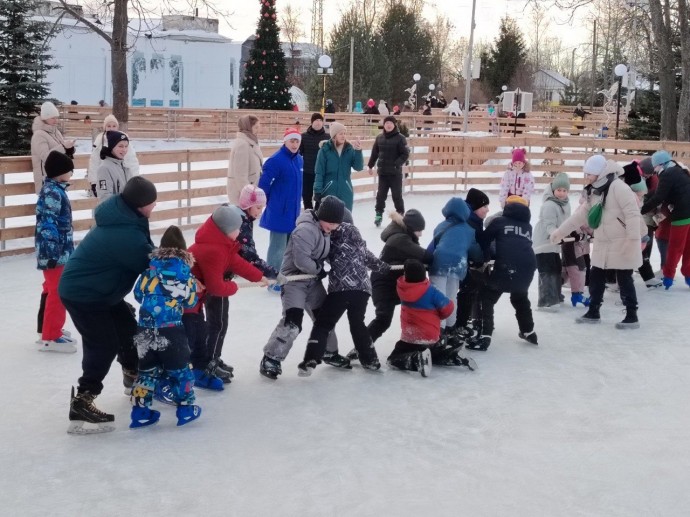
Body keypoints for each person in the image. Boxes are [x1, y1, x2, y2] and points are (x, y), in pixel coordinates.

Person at [60, 176, 158, 434]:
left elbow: (149, 251)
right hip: (84, 294)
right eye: (152, 202)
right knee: (103, 343)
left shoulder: (128, 219)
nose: (154, 206)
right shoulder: (124, 234)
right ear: (140, 204)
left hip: (101, 292)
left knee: (126, 325)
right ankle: (83, 400)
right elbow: (151, 264)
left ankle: (132, 374)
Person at [550, 156, 646, 329]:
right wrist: (560, 232)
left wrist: (632, 240)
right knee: (596, 276)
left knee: (624, 278)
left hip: (622, 240)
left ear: (600, 173)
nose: (587, 177)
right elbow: (580, 216)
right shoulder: (595, 191)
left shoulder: (619, 187)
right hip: (603, 240)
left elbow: (633, 214)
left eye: (590, 174)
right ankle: (594, 311)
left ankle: (632, 315)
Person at [260, 196, 347, 380]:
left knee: (324, 318)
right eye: (330, 222)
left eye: (336, 224)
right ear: (321, 216)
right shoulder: (305, 230)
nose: (332, 227)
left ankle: (328, 351)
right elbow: (301, 260)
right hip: (294, 282)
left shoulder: (325, 231)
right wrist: (318, 269)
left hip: (312, 282)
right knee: (293, 322)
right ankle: (271, 358)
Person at [298, 210, 390, 375]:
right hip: (361, 290)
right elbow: (370, 259)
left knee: (323, 324)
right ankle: (370, 360)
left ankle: (311, 359)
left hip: (340, 289)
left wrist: (315, 267)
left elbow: (318, 256)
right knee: (357, 324)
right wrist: (385, 268)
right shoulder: (358, 239)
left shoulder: (329, 239)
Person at [187, 204, 268, 389]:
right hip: (187, 302)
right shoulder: (214, 250)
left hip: (195, 299)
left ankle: (202, 366)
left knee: (203, 331)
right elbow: (216, 287)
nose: (240, 231)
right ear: (225, 230)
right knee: (196, 334)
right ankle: (196, 369)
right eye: (236, 228)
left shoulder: (222, 244)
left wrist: (258, 276)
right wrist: (232, 286)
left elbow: (236, 262)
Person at [129, 226, 202, 428]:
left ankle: (140, 411)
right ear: (183, 250)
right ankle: (186, 409)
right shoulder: (184, 273)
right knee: (180, 370)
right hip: (171, 330)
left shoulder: (149, 270)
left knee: (146, 372)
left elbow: (137, 294)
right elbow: (189, 302)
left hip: (144, 328)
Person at [466, 196, 538, 351]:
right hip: (528, 266)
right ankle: (529, 331)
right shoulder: (527, 226)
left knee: (487, 296)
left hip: (506, 266)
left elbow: (483, 240)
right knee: (520, 296)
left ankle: (485, 336)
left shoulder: (498, 222)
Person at [366, 210, 432, 346]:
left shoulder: (403, 236)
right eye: (419, 230)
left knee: (413, 313)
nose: (420, 234)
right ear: (411, 228)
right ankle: (362, 347)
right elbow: (426, 256)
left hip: (391, 283)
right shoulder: (400, 240)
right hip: (383, 284)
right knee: (383, 319)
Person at [35, 151, 76, 353]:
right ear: (61, 173)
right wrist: (52, 252)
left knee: (50, 288)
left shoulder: (55, 189)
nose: (71, 174)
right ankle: (51, 335)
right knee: (58, 292)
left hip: (58, 251)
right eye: (70, 171)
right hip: (54, 253)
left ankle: (46, 329)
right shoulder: (53, 192)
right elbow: (48, 223)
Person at [428, 197, 483, 348]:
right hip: (458, 266)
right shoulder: (469, 230)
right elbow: (475, 251)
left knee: (439, 297)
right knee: (452, 297)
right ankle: (450, 330)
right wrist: (480, 259)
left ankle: (439, 331)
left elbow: (435, 244)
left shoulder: (440, 226)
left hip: (438, 264)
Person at [386, 259, 454, 377]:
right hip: (430, 336)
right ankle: (441, 355)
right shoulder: (431, 292)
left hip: (410, 336)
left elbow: (405, 279)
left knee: (393, 359)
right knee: (429, 345)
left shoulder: (402, 288)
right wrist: (439, 316)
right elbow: (448, 308)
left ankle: (416, 359)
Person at [640, 150, 690, 289]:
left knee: (675, 247)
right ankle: (688, 274)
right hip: (687, 213)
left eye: (655, 167)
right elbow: (658, 193)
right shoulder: (678, 170)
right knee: (687, 248)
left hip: (681, 215)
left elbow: (658, 197)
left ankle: (668, 276)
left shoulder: (667, 174)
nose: (654, 170)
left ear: (661, 164)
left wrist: (640, 210)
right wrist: (645, 197)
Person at [258, 127, 304, 276]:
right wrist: (273, 201)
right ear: (285, 142)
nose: (294, 144)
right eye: (291, 140)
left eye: (297, 141)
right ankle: (272, 277)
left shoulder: (298, 159)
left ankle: (284, 274)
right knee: (277, 247)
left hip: (293, 211)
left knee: (289, 247)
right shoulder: (276, 160)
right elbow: (263, 185)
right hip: (279, 210)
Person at [454, 188, 491, 342]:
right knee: (467, 288)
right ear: (475, 207)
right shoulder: (469, 220)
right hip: (456, 261)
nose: (488, 210)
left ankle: (461, 321)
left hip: (460, 261)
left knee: (469, 288)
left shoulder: (473, 219)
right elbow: (473, 243)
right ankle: (458, 324)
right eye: (484, 207)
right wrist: (481, 258)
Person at [532, 172, 571, 310]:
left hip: (554, 243)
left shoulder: (565, 204)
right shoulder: (549, 204)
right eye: (559, 190)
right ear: (553, 190)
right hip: (544, 242)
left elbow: (567, 223)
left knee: (556, 269)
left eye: (564, 190)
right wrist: (557, 235)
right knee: (547, 270)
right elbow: (549, 225)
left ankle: (555, 296)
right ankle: (546, 301)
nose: (561, 193)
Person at [368, 115, 410, 227]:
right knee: (381, 195)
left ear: (394, 124)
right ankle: (378, 214)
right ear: (384, 125)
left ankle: (400, 214)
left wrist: (397, 163)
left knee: (397, 195)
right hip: (383, 172)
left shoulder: (400, 138)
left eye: (391, 123)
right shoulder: (379, 138)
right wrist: (370, 165)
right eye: (387, 123)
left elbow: (405, 154)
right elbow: (374, 153)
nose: (388, 125)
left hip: (395, 173)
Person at [313, 122, 364, 211]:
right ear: (334, 135)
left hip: (346, 192)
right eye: (340, 134)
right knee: (329, 220)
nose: (343, 136)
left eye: (344, 133)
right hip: (329, 191)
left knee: (345, 221)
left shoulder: (349, 149)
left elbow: (358, 167)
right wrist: (317, 191)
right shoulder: (324, 150)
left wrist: (358, 151)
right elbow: (319, 172)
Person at [87, 115, 139, 197]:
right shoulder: (100, 140)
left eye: (114, 126)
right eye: (108, 126)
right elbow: (94, 161)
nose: (111, 128)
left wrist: (134, 180)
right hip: (105, 175)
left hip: (121, 174)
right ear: (105, 127)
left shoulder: (123, 139)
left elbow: (132, 161)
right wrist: (93, 181)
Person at [31, 101, 75, 195]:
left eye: (57, 117)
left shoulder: (55, 131)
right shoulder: (39, 135)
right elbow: (46, 157)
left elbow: (61, 153)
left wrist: (69, 148)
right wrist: (63, 146)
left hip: (59, 178)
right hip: (46, 180)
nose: (56, 120)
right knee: (50, 208)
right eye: (53, 118)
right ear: (45, 118)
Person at [227, 114, 263, 206]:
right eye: (255, 127)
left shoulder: (251, 141)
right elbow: (240, 175)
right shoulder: (242, 144)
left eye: (259, 127)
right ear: (248, 127)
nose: (258, 130)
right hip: (243, 195)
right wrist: (249, 195)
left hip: (251, 190)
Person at [299, 113, 329, 209]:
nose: (318, 122)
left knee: (320, 195)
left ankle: (318, 212)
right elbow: (298, 153)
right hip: (307, 171)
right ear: (312, 122)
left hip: (322, 173)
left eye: (320, 120)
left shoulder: (328, 137)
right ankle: (308, 213)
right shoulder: (303, 137)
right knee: (306, 195)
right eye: (316, 120)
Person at [96, 131, 133, 203]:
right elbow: (105, 198)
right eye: (120, 146)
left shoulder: (126, 166)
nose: (124, 150)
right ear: (112, 146)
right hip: (115, 212)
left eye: (126, 146)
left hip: (127, 211)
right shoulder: (104, 168)